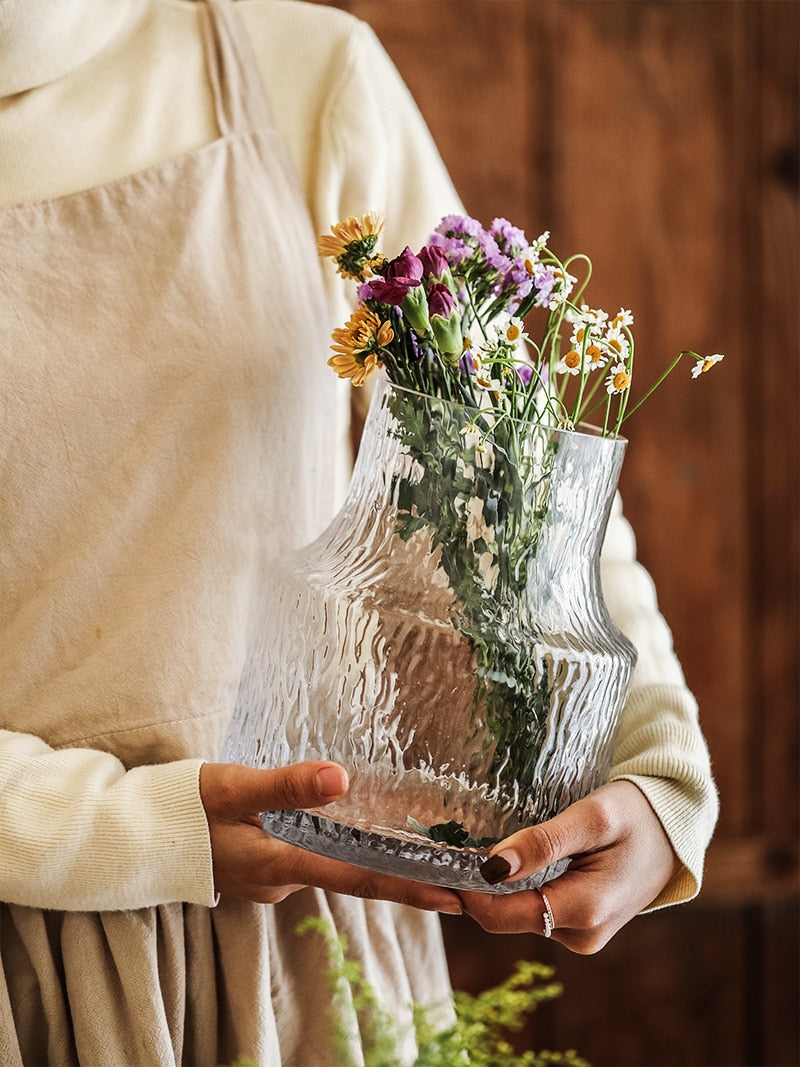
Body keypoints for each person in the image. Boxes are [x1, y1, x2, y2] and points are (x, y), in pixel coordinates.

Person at [0, 0, 718, 1063]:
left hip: (298, 954)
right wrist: (136, 829)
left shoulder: (301, 73)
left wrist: (655, 769)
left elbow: (510, 476)